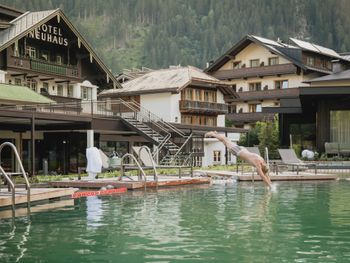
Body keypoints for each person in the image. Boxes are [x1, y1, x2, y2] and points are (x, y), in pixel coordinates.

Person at [205, 131, 272, 188]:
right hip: (238, 152)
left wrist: (269, 184)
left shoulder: (262, 160)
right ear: (262, 168)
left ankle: (216, 134)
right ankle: (212, 134)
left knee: (226, 140)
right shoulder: (258, 164)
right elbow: (263, 177)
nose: (258, 172)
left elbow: (266, 174)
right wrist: (270, 186)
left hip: (242, 149)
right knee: (225, 140)